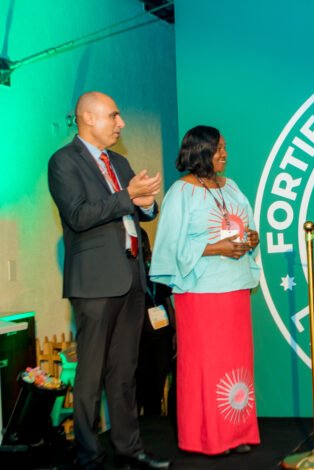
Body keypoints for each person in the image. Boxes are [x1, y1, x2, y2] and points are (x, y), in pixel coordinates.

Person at [47, 91, 169, 469]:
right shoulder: (63, 162)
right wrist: (127, 196)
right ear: (88, 118)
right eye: (114, 116)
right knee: (91, 375)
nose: (122, 124)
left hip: (131, 278)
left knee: (124, 371)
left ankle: (130, 449)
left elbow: (139, 211)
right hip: (95, 284)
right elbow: (80, 215)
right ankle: (88, 455)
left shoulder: (119, 160)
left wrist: (146, 202)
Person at [149, 125, 261, 456]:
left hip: (235, 289)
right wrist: (216, 248)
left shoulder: (233, 187)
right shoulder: (181, 192)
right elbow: (169, 246)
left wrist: (250, 239)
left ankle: (237, 432)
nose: (225, 153)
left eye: (225, 147)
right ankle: (209, 437)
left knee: (236, 362)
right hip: (200, 294)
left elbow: (246, 227)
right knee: (208, 366)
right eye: (218, 148)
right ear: (199, 151)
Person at [136, 229, 175, 418]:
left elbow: (167, 301)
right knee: (140, 381)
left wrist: (175, 332)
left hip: (162, 335)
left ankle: (155, 419)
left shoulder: (157, 269)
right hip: (139, 337)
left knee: (159, 379)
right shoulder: (128, 273)